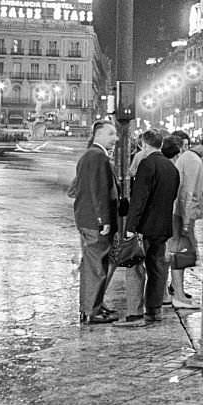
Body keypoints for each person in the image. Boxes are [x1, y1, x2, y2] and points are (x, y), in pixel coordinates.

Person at [116, 129, 181, 327]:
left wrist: (130, 226)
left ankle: (135, 314)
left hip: (145, 226)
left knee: (135, 267)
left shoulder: (147, 164)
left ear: (144, 145)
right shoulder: (171, 167)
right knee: (158, 268)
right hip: (163, 226)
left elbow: (140, 198)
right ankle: (154, 311)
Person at [71, 120, 120, 325]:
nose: (115, 138)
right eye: (111, 134)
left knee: (94, 263)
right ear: (98, 135)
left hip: (87, 217)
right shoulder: (98, 157)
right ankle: (92, 310)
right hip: (94, 220)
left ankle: (94, 304)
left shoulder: (90, 155)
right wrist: (104, 220)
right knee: (96, 266)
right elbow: (98, 190)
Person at [170, 129, 203, 308]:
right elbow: (187, 191)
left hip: (180, 211)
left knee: (180, 252)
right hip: (181, 212)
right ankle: (179, 295)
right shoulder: (192, 160)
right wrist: (186, 220)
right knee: (181, 253)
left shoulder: (190, 158)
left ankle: (176, 291)